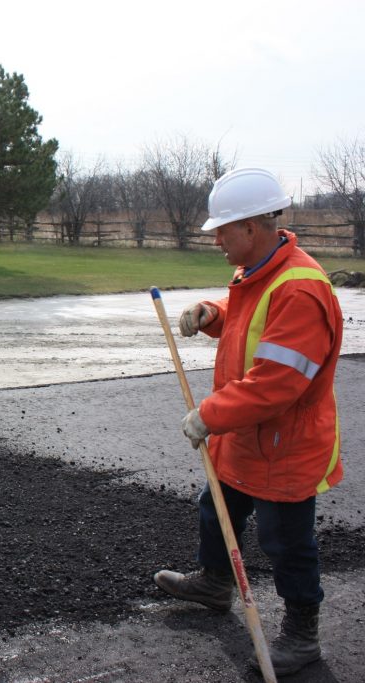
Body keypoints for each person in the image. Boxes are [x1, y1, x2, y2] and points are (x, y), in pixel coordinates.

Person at [153, 168, 343, 676]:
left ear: (252, 228)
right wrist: (213, 313)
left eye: (222, 230)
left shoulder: (300, 290)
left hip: (284, 443)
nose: (216, 240)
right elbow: (248, 326)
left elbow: (277, 383)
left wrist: (209, 415)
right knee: (216, 510)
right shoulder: (257, 273)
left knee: (287, 543)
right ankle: (216, 584)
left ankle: (301, 636)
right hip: (245, 436)